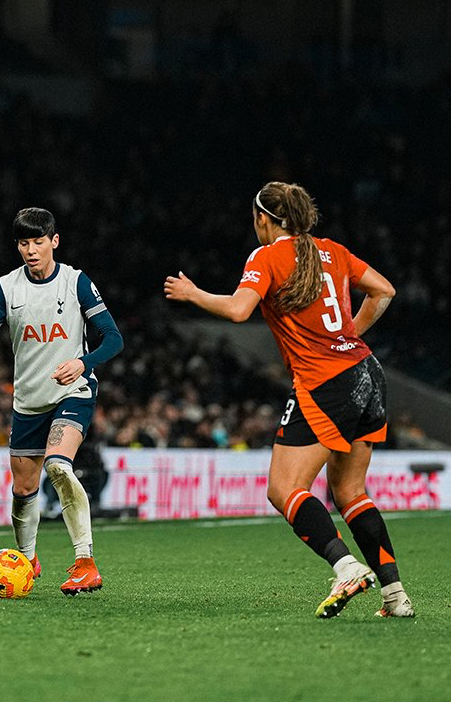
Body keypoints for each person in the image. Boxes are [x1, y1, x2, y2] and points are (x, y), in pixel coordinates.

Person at [164, 181, 412, 618]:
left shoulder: (267, 255)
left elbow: (240, 310)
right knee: (351, 490)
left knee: (284, 489)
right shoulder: (331, 250)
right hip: (367, 372)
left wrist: (194, 295)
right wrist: (348, 334)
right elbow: (385, 290)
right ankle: (396, 597)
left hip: (325, 382)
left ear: (263, 219)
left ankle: (346, 568)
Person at [0, 208, 124, 595]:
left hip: (73, 393)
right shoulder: (7, 289)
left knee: (59, 466)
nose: (31, 250)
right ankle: (26, 559)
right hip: (28, 401)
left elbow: (113, 338)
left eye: (38, 242)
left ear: (54, 241)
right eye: (24, 243)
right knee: (24, 489)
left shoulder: (76, 282)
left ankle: (85, 562)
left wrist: (83, 362)